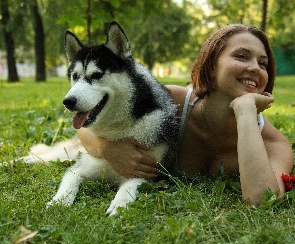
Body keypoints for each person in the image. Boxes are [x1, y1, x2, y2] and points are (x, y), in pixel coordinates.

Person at [77, 24, 294, 206]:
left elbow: (261, 201)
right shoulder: (170, 100)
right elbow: (86, 130)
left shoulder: (274, 144)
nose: (255, 68)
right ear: (210, 67)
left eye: (263, 63)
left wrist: (245, 111)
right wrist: (106, 148)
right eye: (242, 56)